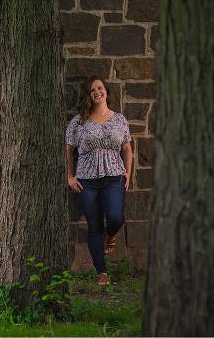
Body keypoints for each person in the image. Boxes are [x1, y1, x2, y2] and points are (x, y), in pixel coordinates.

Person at [65, 75, 133, 286]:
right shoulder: (78, 121)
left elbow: (127, 148)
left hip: (114, 176)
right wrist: (70, 175)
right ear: (88, 95)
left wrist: (128, 173)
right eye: (92, 90)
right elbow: (69, 150)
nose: (97, 92)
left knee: (115, 218)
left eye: (100, 88)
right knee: (94, 226)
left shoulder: (119, 119)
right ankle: (101, 272)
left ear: (106, 92)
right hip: (87, 180)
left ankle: (111, 235)